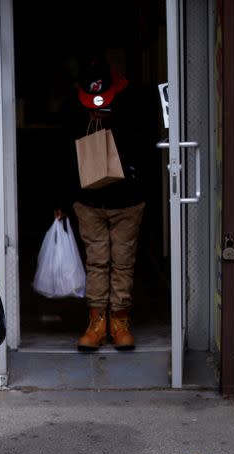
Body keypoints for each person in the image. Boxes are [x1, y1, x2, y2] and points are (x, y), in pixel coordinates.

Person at [56, 56, 146, 352]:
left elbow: (145, 145)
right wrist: (61, 201)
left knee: (123, 262)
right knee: (96, 262)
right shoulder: (71, 110)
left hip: (128, 201)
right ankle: (96, 323)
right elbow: (61, 158)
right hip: (88, 201)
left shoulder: (132, 104)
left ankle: (120, 321)